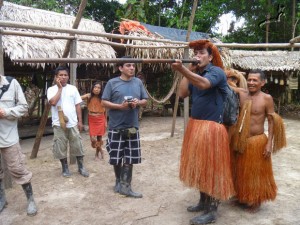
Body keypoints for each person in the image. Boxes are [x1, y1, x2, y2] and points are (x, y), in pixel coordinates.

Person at [171, 40, 235, 225]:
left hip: (212, 128)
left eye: (201, 53)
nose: (197, 56)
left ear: (210, 56)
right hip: (196, 126)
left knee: (213, 169)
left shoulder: (216, 72)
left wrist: (184, 70)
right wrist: (189, 69)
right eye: (195, 53)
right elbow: (182, 93)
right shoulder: (194, 73)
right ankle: (203, 201)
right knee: (200, 166)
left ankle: (212, 210)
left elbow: (205, 84)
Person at [231, 69, 286, 212]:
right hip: (241, 140)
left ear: (262, 82)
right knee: (241, 170)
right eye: (249, 79)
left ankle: (256, 200)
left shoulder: (266, 98)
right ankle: (242, 196)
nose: (251, 82)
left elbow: (271, 121)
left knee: (256, 173)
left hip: (257, 141)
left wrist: (269, 143)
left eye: (255, 80)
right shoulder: (242, 94)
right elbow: (225, 85)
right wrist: (232, 74)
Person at [102, 56, 148, 198]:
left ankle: (126, 186)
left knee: (130, 157)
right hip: (116, 126)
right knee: (116, 157)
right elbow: (104, 101)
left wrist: (137, 103)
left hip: (132, 126)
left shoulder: (138, 82)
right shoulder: (112, 83)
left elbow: (145, 100)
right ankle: (118, 181)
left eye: (133, 66)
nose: (132, 68)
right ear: (120, 68)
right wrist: (119, 106)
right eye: (128, 65)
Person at [0, 74, 37, 216]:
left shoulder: (11, 83)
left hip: (9, 137)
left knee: (18, 168)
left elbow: (23, 108)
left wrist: (6, 112)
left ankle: (31, 200)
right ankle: (2, 199)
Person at [47, 66, 89, 178]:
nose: (63, 77)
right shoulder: (51, 90)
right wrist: (60, 89)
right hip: (58, 124)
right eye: (60, 75)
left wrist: (80, 121)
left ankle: (81, 167)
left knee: (78, 145)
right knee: (60, 146)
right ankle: (65, 168)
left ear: (68, 77)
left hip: (73, 123)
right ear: (56, 77)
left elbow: (77, 105)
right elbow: (53, 102)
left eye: (65, 75)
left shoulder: (73, 89)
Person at [81, 81, 106, 160]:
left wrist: (106, 122)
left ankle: (96, 154)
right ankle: (101, 151)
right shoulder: (89, 96)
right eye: (95, 87)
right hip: (92, 118)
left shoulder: (103, 98)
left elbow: (106, 110)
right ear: (92, 88)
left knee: (99, 138)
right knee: (92, 139)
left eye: (99, 88)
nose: (97, 89)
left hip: (101, 118)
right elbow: (78, 97)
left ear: (101, 90)